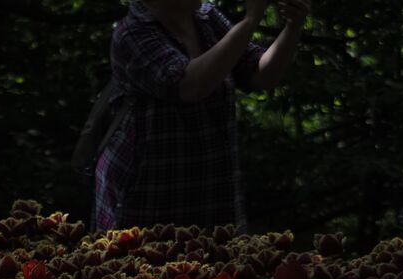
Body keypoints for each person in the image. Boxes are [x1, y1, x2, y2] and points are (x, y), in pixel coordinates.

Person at [93, 0, 310, 233]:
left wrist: (293, 26)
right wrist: (250, 20)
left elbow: (260, 74)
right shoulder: (131, 33)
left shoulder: (206, 17)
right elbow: (190, 85)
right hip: (149, 192)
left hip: (211, 191)